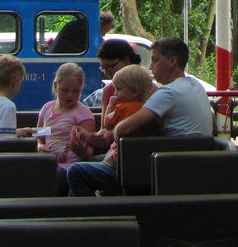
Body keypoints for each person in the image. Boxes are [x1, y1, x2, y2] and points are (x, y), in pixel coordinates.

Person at [67, 37, 211, 196]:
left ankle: (95, 211)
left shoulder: (168, 93)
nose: (151, 66)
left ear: (172, 61)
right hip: (195, 165)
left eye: (155, 60)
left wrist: (112, 130)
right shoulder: (196, 86)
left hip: (163, 169)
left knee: (76, 172)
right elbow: (214, 125)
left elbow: (122, 130)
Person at [36, 63, 96, 194]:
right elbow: (40, 135)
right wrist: (40, 145)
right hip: (48, 162)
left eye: (75, 91)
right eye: (65, 90)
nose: (70, 95)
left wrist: (79, 149)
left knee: (52, 177)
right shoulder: (47, 108)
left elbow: (88, 154)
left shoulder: (83, 113)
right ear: (55, 86)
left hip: (70, 167)